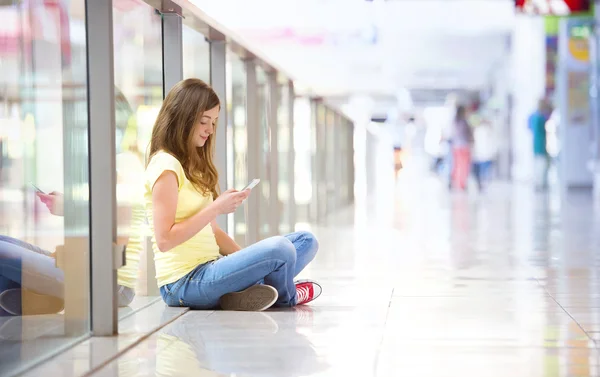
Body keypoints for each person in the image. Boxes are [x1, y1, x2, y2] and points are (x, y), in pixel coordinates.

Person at [146, 78, 321, 312]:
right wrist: (216, 208)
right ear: (183, 119)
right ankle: (286, 296)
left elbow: (214, 232)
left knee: (306, 241)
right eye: (204, 121)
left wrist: (251, 265)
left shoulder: (194, 165)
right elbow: (164, 240)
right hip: (183, 283)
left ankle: (253, 288)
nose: (210, 129)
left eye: (214, 122)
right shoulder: (165, 166)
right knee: (281, 249)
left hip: (211, 268)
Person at [0, 87, 141, 316]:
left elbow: (117, 244)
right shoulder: (108, 163)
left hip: (110, 283)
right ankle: (41, 299)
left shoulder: (121, 165)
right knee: (3, 241)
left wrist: (73, 211)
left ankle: (49, 297)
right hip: (86, 268)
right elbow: (102, 216)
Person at [528, 99, 551, 190]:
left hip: (537, 144)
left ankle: (538, 183)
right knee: (541, 165)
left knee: (538, 164)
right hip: (540, 144)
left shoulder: (534, 117)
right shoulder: (540, 118)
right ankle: (540, 183)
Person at [450, 105, 474, 191]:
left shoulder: (454, 122)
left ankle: (457, 183)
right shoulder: (464, 122)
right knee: (464, 166)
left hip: (456, 147)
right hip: (464, 147)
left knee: (457, 165)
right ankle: (462, 184)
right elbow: (469, 135)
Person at [472, 121, 497, 192]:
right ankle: (484, 185)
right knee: (486, 172)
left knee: (481, 172)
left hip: (480, 154)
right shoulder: (488, 130)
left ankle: (482, 185)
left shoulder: (477, 130)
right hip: (486, 154)